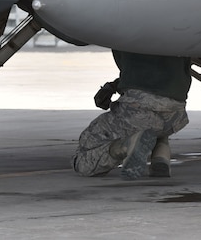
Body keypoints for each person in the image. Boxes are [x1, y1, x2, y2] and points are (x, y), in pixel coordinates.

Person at [72, 50, 192, 180]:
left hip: (139, 110)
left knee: (84, 152)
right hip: (175, 114)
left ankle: (125, 146)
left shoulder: (121, 31)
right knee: (155, 125)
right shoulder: (183, 32)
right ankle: (161, 159)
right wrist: (113, 86)